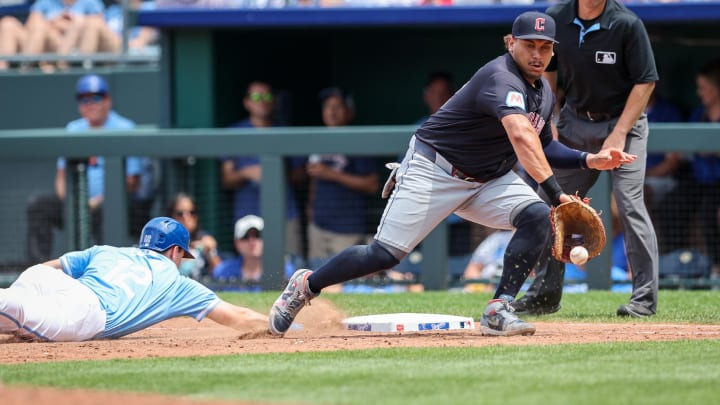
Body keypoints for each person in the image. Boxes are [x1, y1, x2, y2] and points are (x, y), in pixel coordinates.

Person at [268, 11, 635, 337]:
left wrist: (591, 161)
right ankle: (306, 285)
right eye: (529, 45)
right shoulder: (500, 77)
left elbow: (546, 146)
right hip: (435, 170)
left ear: (554, 51)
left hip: (487, 178)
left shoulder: (543, 94)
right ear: (511, 43)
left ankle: (498, 309)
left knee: (537, 216)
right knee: (383, 255)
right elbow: (521, 137)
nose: (537, 54)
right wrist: (557, 193)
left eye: (545, 47)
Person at [512, 0, 660, 319]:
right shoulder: (556, 17)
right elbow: (546, 70)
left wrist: (619, 133)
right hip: (574, 122)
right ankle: (544, 295)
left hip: (623, 123)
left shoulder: (626, 23)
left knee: (630, 203)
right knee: (549, 203)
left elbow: (646, 80)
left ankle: (644, 299)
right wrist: (547, 116)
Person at [1, 216, 267, 342]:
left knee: (23, 293)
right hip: (87, 312)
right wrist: (288, 327)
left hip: (51, 281)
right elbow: (237, 317)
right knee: (18, 310)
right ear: (175, 251)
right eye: (182, 255)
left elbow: (47, 270)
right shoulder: (177, 284)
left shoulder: (106, 250)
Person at [25, 74, 156, 264]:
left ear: (108, 100)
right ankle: (38, 269)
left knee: (106, 212)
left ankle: (107, 270)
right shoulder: (73, 129)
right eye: (84, 99)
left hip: (114, 205)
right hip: (77, 204)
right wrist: (73, 202)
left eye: (96, 97)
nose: (91, 104)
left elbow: (132, 181)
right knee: (38, 205)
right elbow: (61, 177)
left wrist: (97, 202)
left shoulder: (125, 127)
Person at [220, 80, 305, 263]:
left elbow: (301, 175)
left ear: (274, 101)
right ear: (247, 102)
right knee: (251, 267)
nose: (262, 101)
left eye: (267, 96)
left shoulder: (285, 132)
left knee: (292, 264)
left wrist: (277, 175)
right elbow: (226, 180)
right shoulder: (235, 133)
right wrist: (246, 173)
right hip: (249, 212)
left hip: (285, 213)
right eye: (257, 96)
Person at [306, 86, 379, 268]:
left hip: (347, 228)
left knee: (344, 281)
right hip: (318, 225)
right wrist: (310, 205)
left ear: (349, 111)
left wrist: (331, 174)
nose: (331, 111)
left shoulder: (358, 141)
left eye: (337, 106)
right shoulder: (318, 139)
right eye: (327, 106)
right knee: (313, 279)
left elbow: (371, 184)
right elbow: (314, 178)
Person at [212, 215, 296, 291]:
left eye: (257, 235)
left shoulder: (284, 269)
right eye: (245, 237)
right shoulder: (222, 270)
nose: (252, 242)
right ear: (236, 243)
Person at [166, 192, 222, 280]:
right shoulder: (163, 242)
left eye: (191, 212)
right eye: (180, 213)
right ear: (171, 216)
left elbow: (220, 274)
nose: (186, 217)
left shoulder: (204, 239)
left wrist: (211, 252)